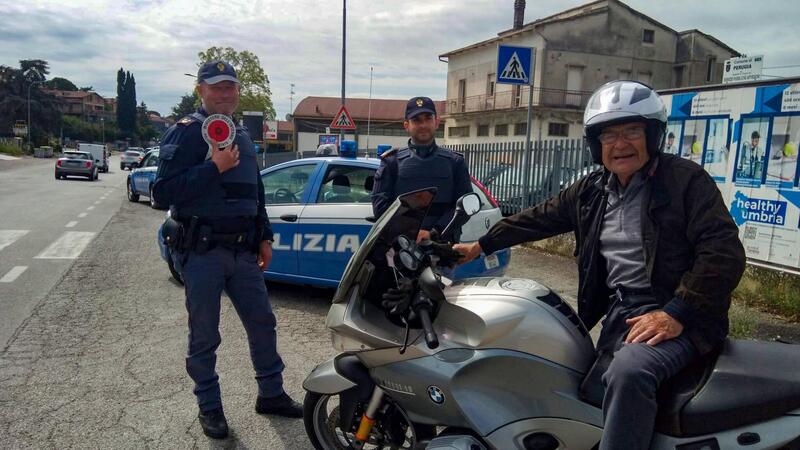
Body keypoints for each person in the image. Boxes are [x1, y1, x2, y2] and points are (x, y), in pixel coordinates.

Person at [454, 80, 745, 450]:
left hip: (684, 315)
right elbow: (538, 218)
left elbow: (723, 253)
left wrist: (677, 313)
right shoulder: (592, 189)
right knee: (580, 381)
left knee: (629, 373)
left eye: (632, 131)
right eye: (609, 135)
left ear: (652, 135)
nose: (620, 144)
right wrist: (480, 245)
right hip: (623, 312)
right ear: (596, 144)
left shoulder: (686, 182)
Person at [152, 61, 302, 440]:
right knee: (205, 335)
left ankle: (271, 394)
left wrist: (264, 234)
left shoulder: (242, 134)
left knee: (263, 324)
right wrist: (213, 167)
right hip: (203, 252)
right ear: (200, 89)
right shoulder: (186, 133)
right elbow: (162, 192)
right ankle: (210, 407)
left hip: (243, 252)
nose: (224, 94)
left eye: (230, 87)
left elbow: (256, 190)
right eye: (216, 87)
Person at [371, 96, 472, 242]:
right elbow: (381, 208)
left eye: (427, 118)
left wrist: (433, 232)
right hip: (402, 246)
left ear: (436, 122)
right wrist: (411, 232)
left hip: (442, 246)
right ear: (406, 125)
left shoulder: (455, 162)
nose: (423, 125)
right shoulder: (392, 162)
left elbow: (465, 206)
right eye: (416, 120)